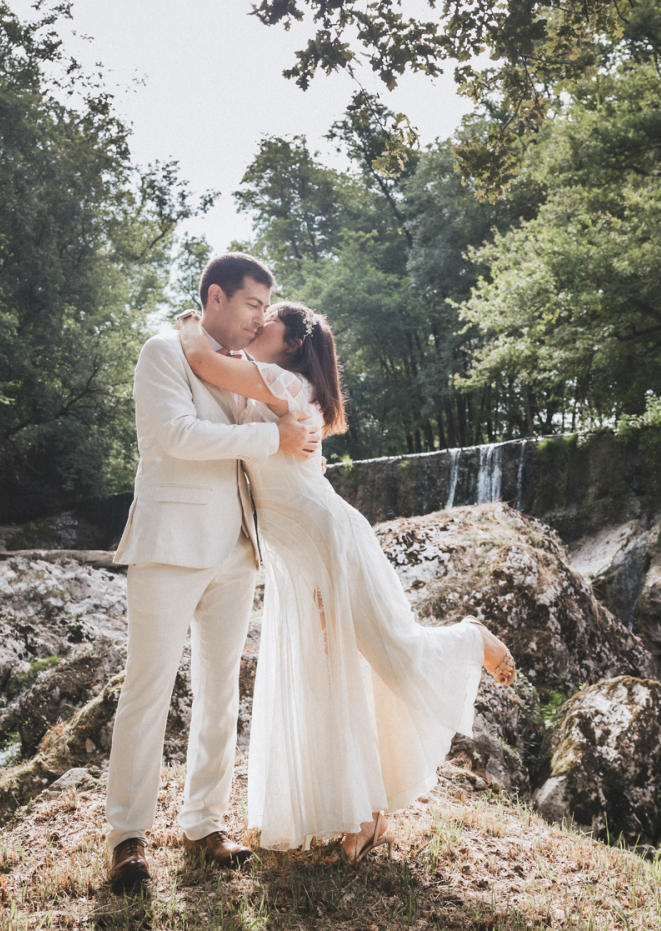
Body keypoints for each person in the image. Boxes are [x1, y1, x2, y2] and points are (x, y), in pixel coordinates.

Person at [174, 301, 515, 860]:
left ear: (290, 344)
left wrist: (190, 321)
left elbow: (204, 361)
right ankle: (365, 815)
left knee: (392, 655)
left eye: (270, 320)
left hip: (331, 541)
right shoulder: (269, 385)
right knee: (331, 677)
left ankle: (470, 638)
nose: (258, 324)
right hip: (298, 556)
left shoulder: (283, 381)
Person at [103, 253, 322, 895]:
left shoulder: (248, 369)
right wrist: (269, 440)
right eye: (254, 304)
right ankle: (127, 838)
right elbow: (176, 435)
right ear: (218, 297)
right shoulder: (162, 351)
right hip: (169, 545)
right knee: (147, 691)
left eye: (267, 308)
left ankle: (204, 825)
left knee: (221, 691)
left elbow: (289, 437)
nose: (261, 318)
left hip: (238, 550)